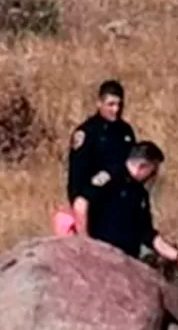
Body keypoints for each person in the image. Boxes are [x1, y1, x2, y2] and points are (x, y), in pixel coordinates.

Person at [73, 141, 178, 273]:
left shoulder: (140, 194)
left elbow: (148, 235)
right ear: (142, 166)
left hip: (126, 263)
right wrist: (87, 245)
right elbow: (80, 204)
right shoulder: (110, 177)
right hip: (100, 259)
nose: (153, 177)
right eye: (152, 171)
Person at [54, 79, 137, 236]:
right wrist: (80, 209)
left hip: (120, 203)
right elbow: (76, 178)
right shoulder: (87, 133)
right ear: (99, 103)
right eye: (111, 104)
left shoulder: (125, 131)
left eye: (119, 105)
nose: (116, 109)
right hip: (94, 202)